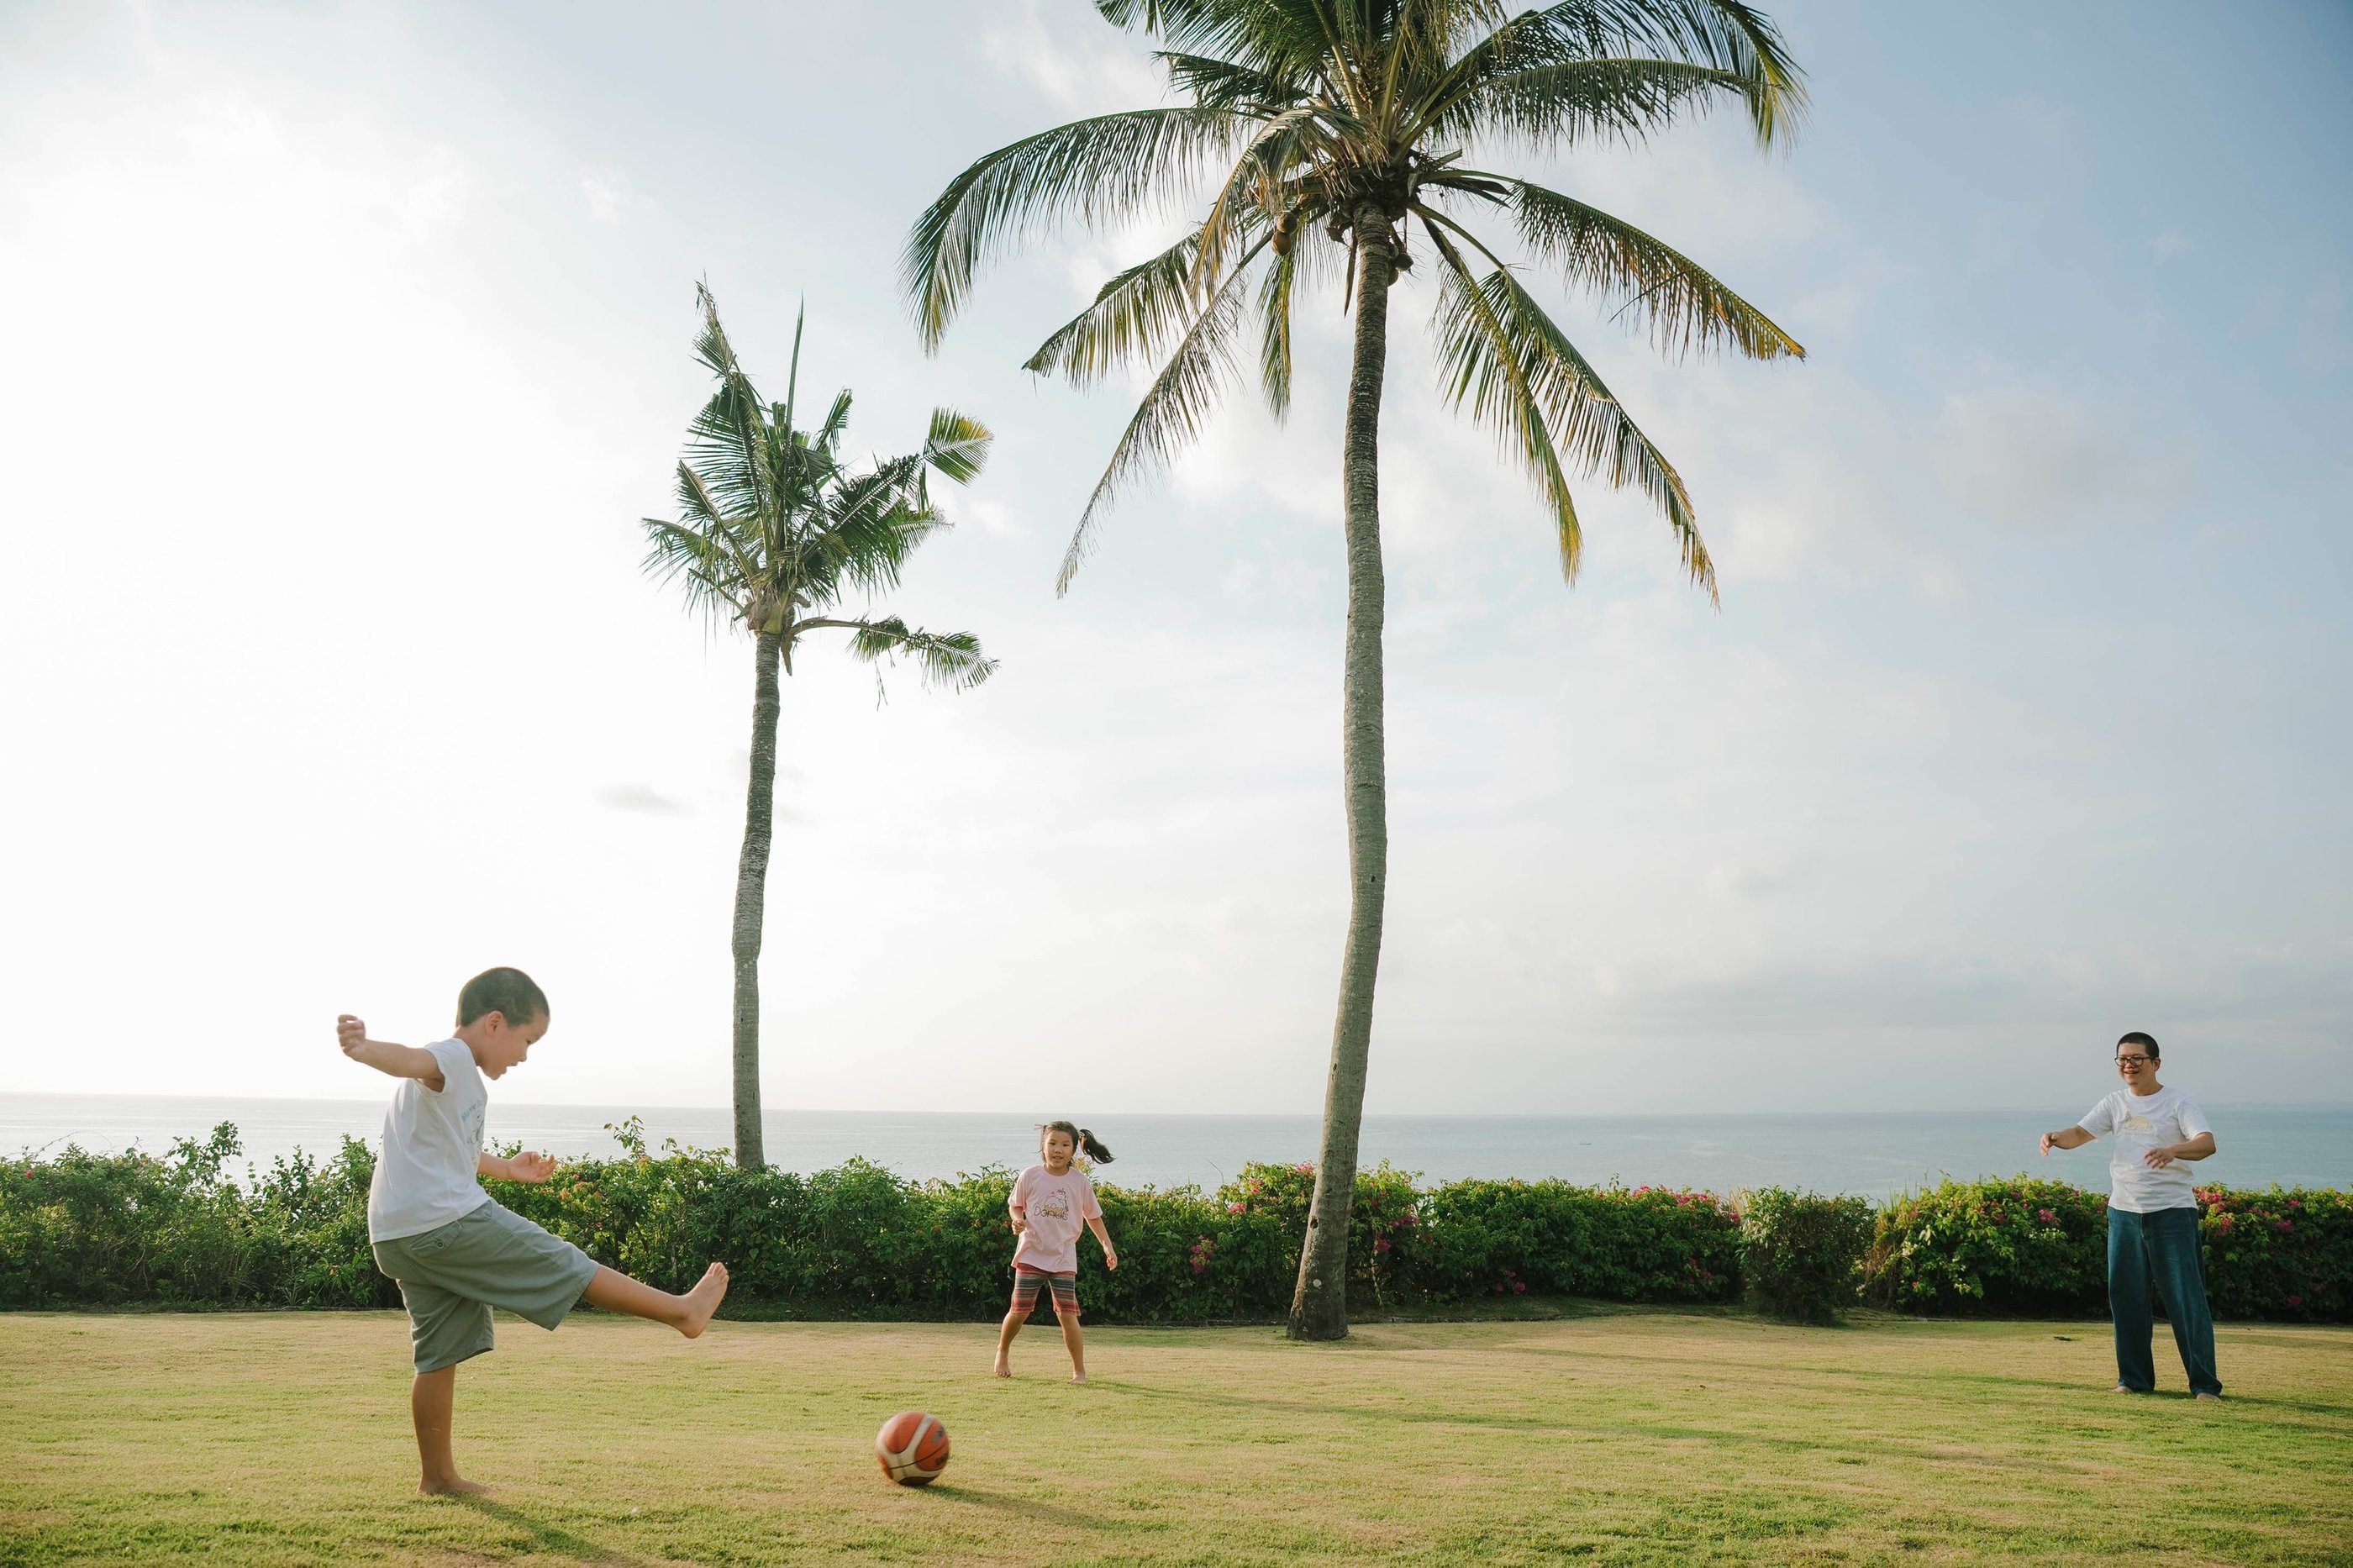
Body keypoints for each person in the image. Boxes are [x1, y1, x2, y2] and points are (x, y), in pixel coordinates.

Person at [340, 966, 729, 1494]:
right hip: (445, 1221)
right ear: (495, 1023)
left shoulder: (458, 1083)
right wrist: (365, 1049)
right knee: (563, 1261)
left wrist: (508, 1170)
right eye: (528, 1040)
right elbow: (414, 1059)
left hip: (398, 1235)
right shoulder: (453, 1057)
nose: (524, 1055)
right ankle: (683, 1312)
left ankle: (438, 1478)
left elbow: (456, 1152)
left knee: (438, 1352)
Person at [2040, 1030, 2220, 1400]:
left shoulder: (2178, 1101)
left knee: (2186, 1299)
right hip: (2123, 1213)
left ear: (2156, 1063)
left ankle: (2204, 1386)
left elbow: (2206, 1143)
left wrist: (2173, 1150)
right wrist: (2055, 1138)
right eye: (2123, 1059)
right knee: (2126, 1297)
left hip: (2171, 1214)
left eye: (2137, 1058)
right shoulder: (2115, 1103)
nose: (2129, 1065)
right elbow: (2080, 1132)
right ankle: (2134, 1380)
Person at [992, 1121, 1119, 1383]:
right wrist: (1017, 1219)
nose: (1057, 1150)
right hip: (1031, 1253)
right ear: (1043, 1145)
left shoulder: (1080, 1182)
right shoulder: (1029, 1176)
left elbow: (1093, 1217)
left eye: (1065, 1145)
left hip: (1063, 1256)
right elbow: (1016, 1206)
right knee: (1020, 1311)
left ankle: (1078, 1371)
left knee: (1067, 1314)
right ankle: (1002, 1350)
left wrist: (1107, 1246)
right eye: (1052, 1143)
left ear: (1075, 1150)